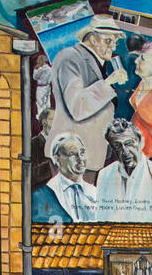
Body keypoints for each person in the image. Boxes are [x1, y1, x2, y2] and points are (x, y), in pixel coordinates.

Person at [48, 16, 128, 176]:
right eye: (108, 41)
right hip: (71, 159)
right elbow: (78, 107)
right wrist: (108, 82)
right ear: (92, 38)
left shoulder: (98, 62)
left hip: (90, 158)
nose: (113, 47)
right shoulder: (70, 57)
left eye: (114, 42)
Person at [95, 118, 152, 223]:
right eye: (118, 146)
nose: (125, 151)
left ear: (141, 142)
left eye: (129, 143)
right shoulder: (105, 175)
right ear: (113, 149)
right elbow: (100, 220)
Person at [33, 134, 97, 223]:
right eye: (72, 154)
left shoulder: (95, 192)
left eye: (82, 153)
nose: (80, 159)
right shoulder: (43, 195)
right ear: (57, 159)